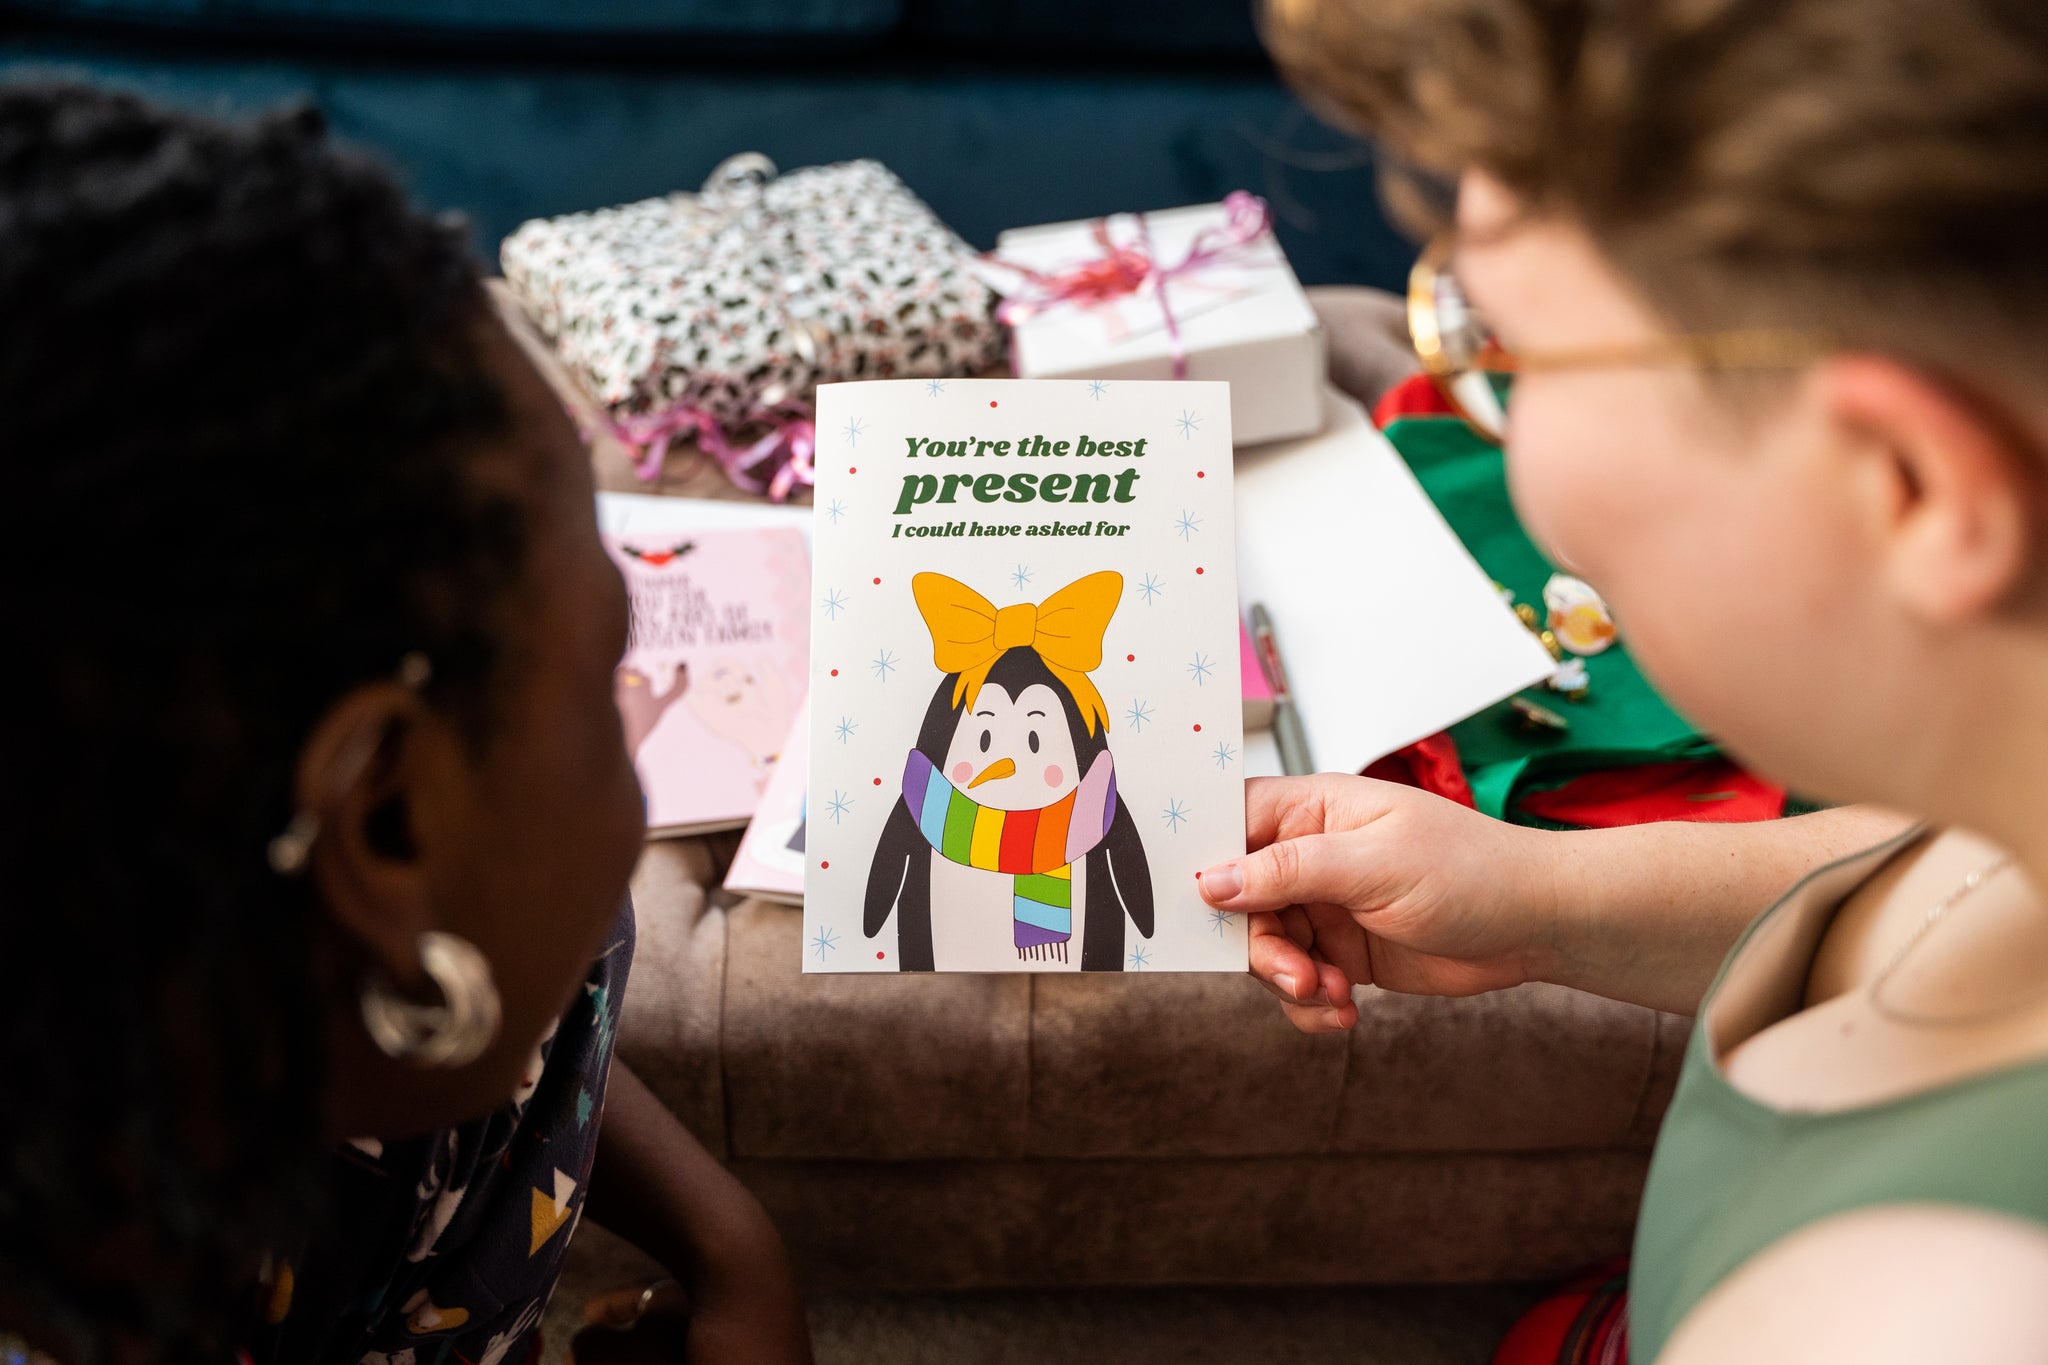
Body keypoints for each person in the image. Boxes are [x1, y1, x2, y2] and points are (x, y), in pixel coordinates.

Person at [1199, 0, 2048, 1358]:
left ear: (1916, 484)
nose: (1498, 443)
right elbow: (1918, 871)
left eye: (1511, 359)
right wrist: (1542, 903)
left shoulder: (1918, 1313)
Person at [0, 84, 811, 1365]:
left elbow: (541, 1020)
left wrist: (729, 1247)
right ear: (383, 820)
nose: (635, 722)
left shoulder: (273, 976)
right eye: (608, 672)